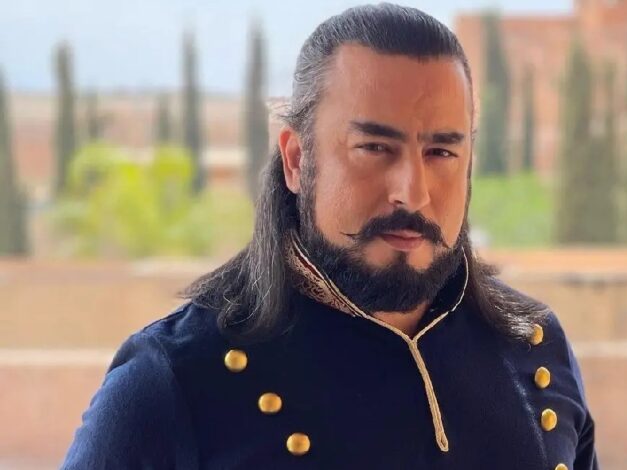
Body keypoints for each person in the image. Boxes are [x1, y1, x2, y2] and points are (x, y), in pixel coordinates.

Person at [62, 4, 598, 469]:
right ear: (297, 160)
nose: (412, 193)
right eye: (375, 149)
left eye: (441, 152)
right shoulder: (170, 383)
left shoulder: (536, 350)